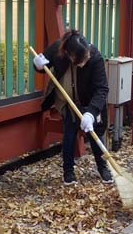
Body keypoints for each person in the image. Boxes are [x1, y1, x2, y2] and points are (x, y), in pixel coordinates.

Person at [33, 29, 113, 186]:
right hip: (66, 101)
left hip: (88, 101)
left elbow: (102, 89)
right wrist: (38, 65)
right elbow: (43, 64)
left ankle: (103, 167)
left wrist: (91, 113)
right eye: (81, 59)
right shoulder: (58, 49)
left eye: (86, 56)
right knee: (69, 133)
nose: (85, 60)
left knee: (95, 134)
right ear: (69, 55)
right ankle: (68, 171)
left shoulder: (95, 57)